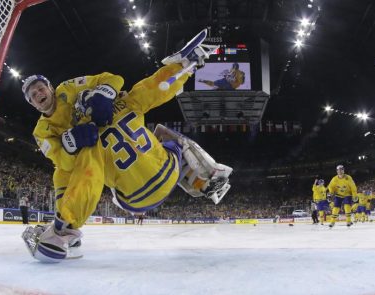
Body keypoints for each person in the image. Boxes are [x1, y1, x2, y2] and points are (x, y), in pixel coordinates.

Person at [21, 30, 232, 262]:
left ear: (50, 88)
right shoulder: (125, 102)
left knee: (74, 172)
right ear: (31, 102)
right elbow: (153, 87)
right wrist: (183, 68)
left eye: (40, 88)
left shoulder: (84, 140)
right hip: (168, 174)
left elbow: (79, 173)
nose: (38, 93)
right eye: (33, 94)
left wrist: (72, 143)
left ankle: (64, 231)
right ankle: (206, 177)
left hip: (132, 201)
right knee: (163, 134)